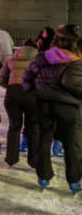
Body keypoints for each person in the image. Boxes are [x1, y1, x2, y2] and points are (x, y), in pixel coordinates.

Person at [22, 25, 82, 194]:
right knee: (71, 143)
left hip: (43, 105)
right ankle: (74, 180)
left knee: (44, 139)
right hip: (67, 107)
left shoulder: (41, 58)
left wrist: (37, 93)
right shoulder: (75, 61)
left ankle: (44, 176)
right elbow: (72, 82)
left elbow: (26, 79)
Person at [0, 37, 39, 169]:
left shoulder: (11, 60)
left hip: (13, 94)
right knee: (33, 128)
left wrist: (10, 87)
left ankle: (11, 159)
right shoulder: (38, 61)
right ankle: (34, 161)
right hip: (32, 94)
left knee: (14, 127)